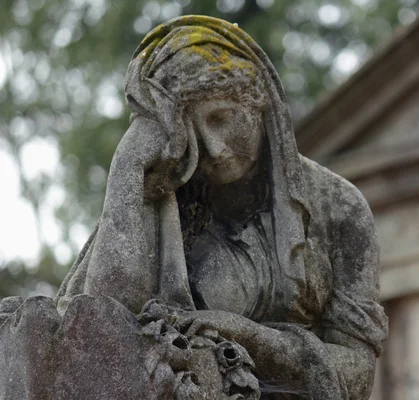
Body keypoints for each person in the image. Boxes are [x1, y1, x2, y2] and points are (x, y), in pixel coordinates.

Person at [57, 16, 387, 399]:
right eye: (193, 130)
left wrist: (243, 334)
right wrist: (127, 168)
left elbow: (358, 373)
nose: (213, 147)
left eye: (221, 118)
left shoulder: (339, 207)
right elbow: (100, 329)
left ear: (259, 103)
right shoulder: (167, 197)